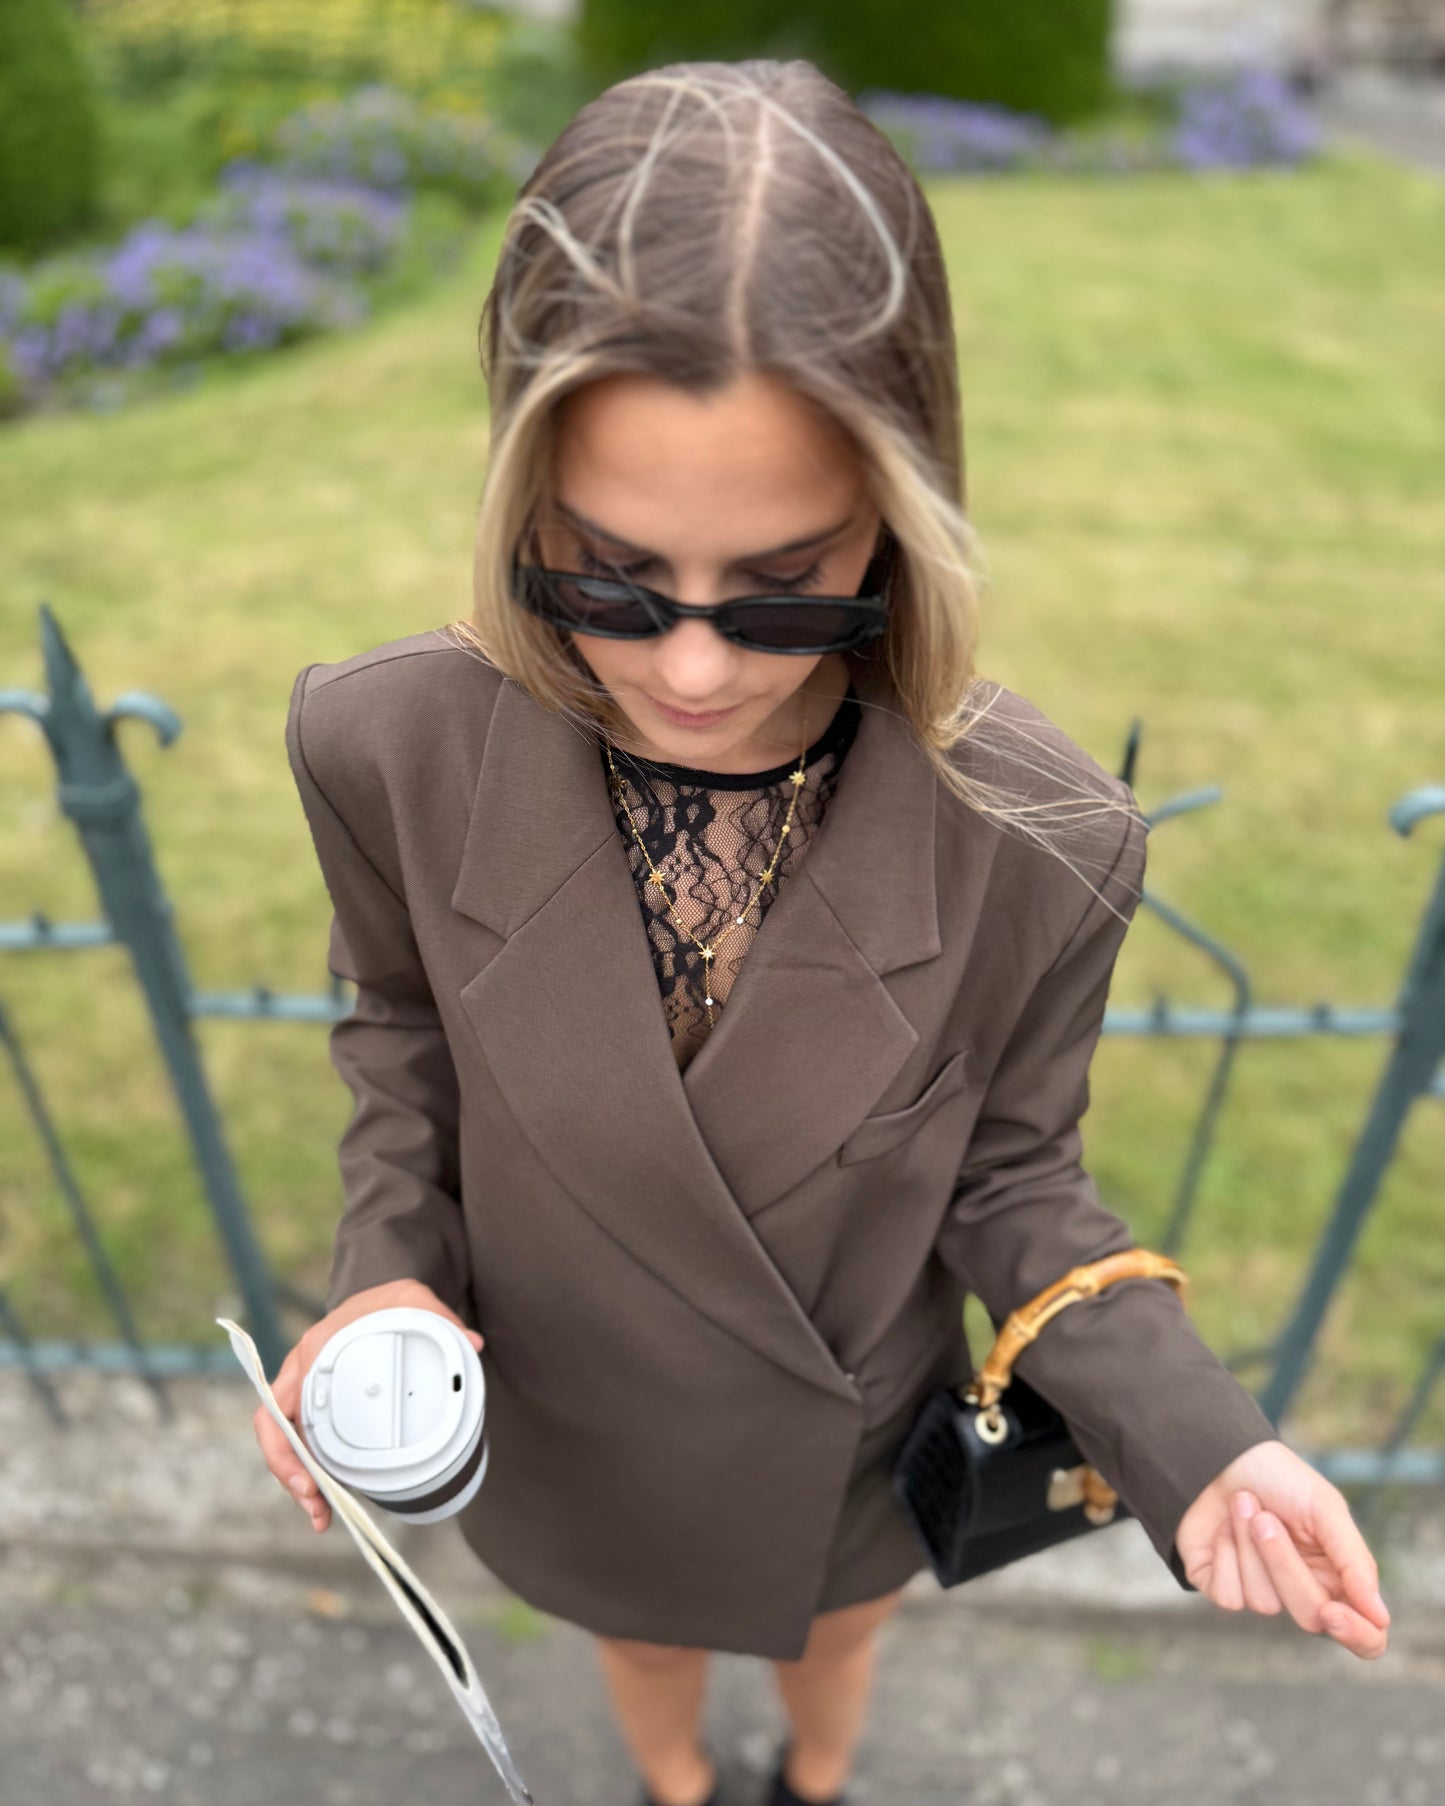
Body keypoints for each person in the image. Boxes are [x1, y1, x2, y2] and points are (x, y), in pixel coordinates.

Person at [253, 58, 1391, 1806]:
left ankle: (813, 1777)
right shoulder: (386, 745)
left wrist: (1197, 1440)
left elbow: (1014, 1182)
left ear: (903, 508)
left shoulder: (1036, 833)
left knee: (834, 1625)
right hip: (575, 1409)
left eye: (788, 583)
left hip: (841, 1435)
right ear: (516, 491)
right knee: (635, 1638)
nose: (694, 668)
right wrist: (385, 1270)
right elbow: (401, 1032)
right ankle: (676, 1786)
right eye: (607, 580)